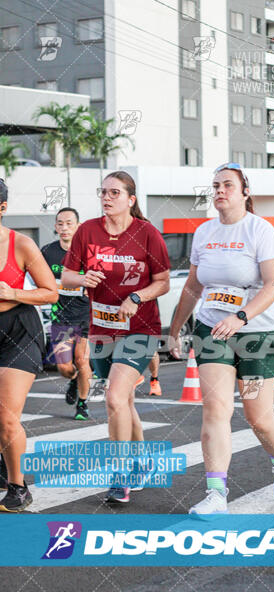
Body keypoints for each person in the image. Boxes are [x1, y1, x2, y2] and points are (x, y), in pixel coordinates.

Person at [169, 162, 274, 517]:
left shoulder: (261, 230)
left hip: (258, 331)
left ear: (244, 192)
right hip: (212, 328)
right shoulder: (205, 232)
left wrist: (241, 316)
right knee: (216, 409)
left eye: (227, 185)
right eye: (216, 185)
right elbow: (194, 286)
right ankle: (215, 494)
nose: (220, 190)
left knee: (258, 416)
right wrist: (176, 328)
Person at [61, 170, 170, 503]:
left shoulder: (147, 233)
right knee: (124, 401)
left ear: (130, 200)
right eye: (103, 192)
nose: (106, 198)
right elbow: (66, 276)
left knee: (112, 398)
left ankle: (120, 476)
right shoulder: (87, 231)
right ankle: (142, 463)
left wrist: (136, 297)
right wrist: (84, 279)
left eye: (114, 193)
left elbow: (163, 281)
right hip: (101, 329)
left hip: (139, 328)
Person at [0, 179, 58, 511]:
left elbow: (50, 291)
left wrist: (13, 293)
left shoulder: (21, 244)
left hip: (19, 331)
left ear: (2, 208)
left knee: (7, 416)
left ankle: (19, 487)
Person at [41, 208, 91, 420]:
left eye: (69, 223)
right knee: (63, 367)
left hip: (86, 314)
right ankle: (73, 380)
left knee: (81, 360)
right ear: (55, 226)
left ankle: (82, 404)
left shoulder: (88, 252)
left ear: (78, 226)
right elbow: (38, 278)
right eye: (60, 223)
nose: (64, 228)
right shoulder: (47, 252)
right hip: (60, 316)